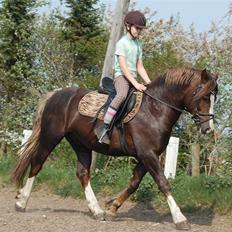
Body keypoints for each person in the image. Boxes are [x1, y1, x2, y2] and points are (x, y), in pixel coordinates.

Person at [95, 10, 151, 144]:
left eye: (140, 29)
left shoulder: (138, 44)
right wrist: (136, 84)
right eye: (136, 28)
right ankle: (104, 127)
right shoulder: (122, 43)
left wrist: (149, 82)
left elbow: (139, 66)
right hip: (122, 77)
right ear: (128, 26)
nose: (138, 31)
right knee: (121, 95)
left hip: (133, 77)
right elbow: (124, 67)